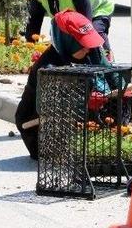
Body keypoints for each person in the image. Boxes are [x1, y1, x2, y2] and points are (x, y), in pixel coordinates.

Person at [15, 11, 119, 160]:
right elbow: (49, 107)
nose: (88, 49)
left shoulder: (91, 50)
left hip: (82, 114)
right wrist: (86, 101)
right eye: (82, 45)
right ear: (67, 42)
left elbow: (110, 74)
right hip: (39, 125)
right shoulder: (48, 68)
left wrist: (122, 88)